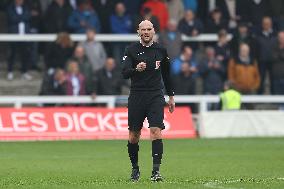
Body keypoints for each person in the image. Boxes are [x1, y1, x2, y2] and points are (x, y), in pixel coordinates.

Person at [122, 20, 175, 182]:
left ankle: (156, 172)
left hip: (155, 96)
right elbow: (124, 73)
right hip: (137, 95)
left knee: (156, 131)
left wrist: (171, 96)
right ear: (138, 32)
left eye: (149, 29)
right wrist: (135, 69)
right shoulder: (131, 50)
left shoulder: (160, 49)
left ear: (153, 31)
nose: (146, 32)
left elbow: (166, 74)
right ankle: (135, 169)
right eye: (143, 29)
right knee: (134, 136)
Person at [6, 0, 33, 81]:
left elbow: (28, 16)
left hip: (24, 35)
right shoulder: (10, 8)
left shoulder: (26, 7)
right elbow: (12, 18)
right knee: (12, 54)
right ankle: (10, 71)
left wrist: (19, 17)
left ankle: (24, 72)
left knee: (25, 54)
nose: (20, 1)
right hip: (14, 35)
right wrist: (22, 17)